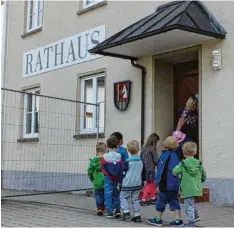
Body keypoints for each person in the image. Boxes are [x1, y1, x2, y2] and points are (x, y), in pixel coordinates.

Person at [148, 136, 184, 227]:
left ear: (166, 145)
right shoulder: (177, 156)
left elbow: (160, 171)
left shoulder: (164, 155)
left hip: (165, 184)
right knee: (174, 201)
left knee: (161, 201)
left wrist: (156, 182)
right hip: (174, 184)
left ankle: (157, 219)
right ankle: (177, 220)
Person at [172, 142, 207, 226]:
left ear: (184, 153)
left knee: (189, 206)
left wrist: (179, 175)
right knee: (192, 203)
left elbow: (174, 171)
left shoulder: (183, 163)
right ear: (195, 152)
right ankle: (196, 216)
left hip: (187, 189)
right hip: (197, 188)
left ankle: (191, 223)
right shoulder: (199, 163)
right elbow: (204, 175)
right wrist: (199, 181)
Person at [120, 140, 143, 222]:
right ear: (138, 149)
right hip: (137, 184)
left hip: (127, 184)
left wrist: (120, 182)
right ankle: (137, 214)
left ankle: (126, 212)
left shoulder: (127, 162)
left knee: (122, 197)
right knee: (135, 199)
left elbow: (123, 173)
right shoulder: (141, 161)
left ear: (128, 150)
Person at [101, 136, 124, 219]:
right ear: (117, 146)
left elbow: (102, 167)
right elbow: (122, 167)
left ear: (107, 146)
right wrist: (119, 175)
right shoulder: (119, 156)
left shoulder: (104, 156)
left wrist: (107, 174)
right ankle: (117, 210)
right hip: (117, 178)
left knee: (108, 194)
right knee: (116, 194)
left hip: (108, 178)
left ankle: (109, 212)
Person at [87, 142, 107, 216]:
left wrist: (92, 178)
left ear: (96, 150)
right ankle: (104, 207)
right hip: (106, 180)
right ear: (105, 150)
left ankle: (99, 208)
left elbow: (90, 171)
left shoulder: (93, 161)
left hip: (97, 181)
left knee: (98, 194)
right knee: (105, 194)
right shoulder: (106, 159)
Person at [140, 133, 160, 206]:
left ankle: (153, 197)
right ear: (155, 141)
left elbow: (141, 157)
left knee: (151, 183)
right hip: (150, 168)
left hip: (144, 168)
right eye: (157, 141)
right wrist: (160, 164)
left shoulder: (144, 148)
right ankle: (143, 199)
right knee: (149, 184)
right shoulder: (152, 148)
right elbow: (156, 159)